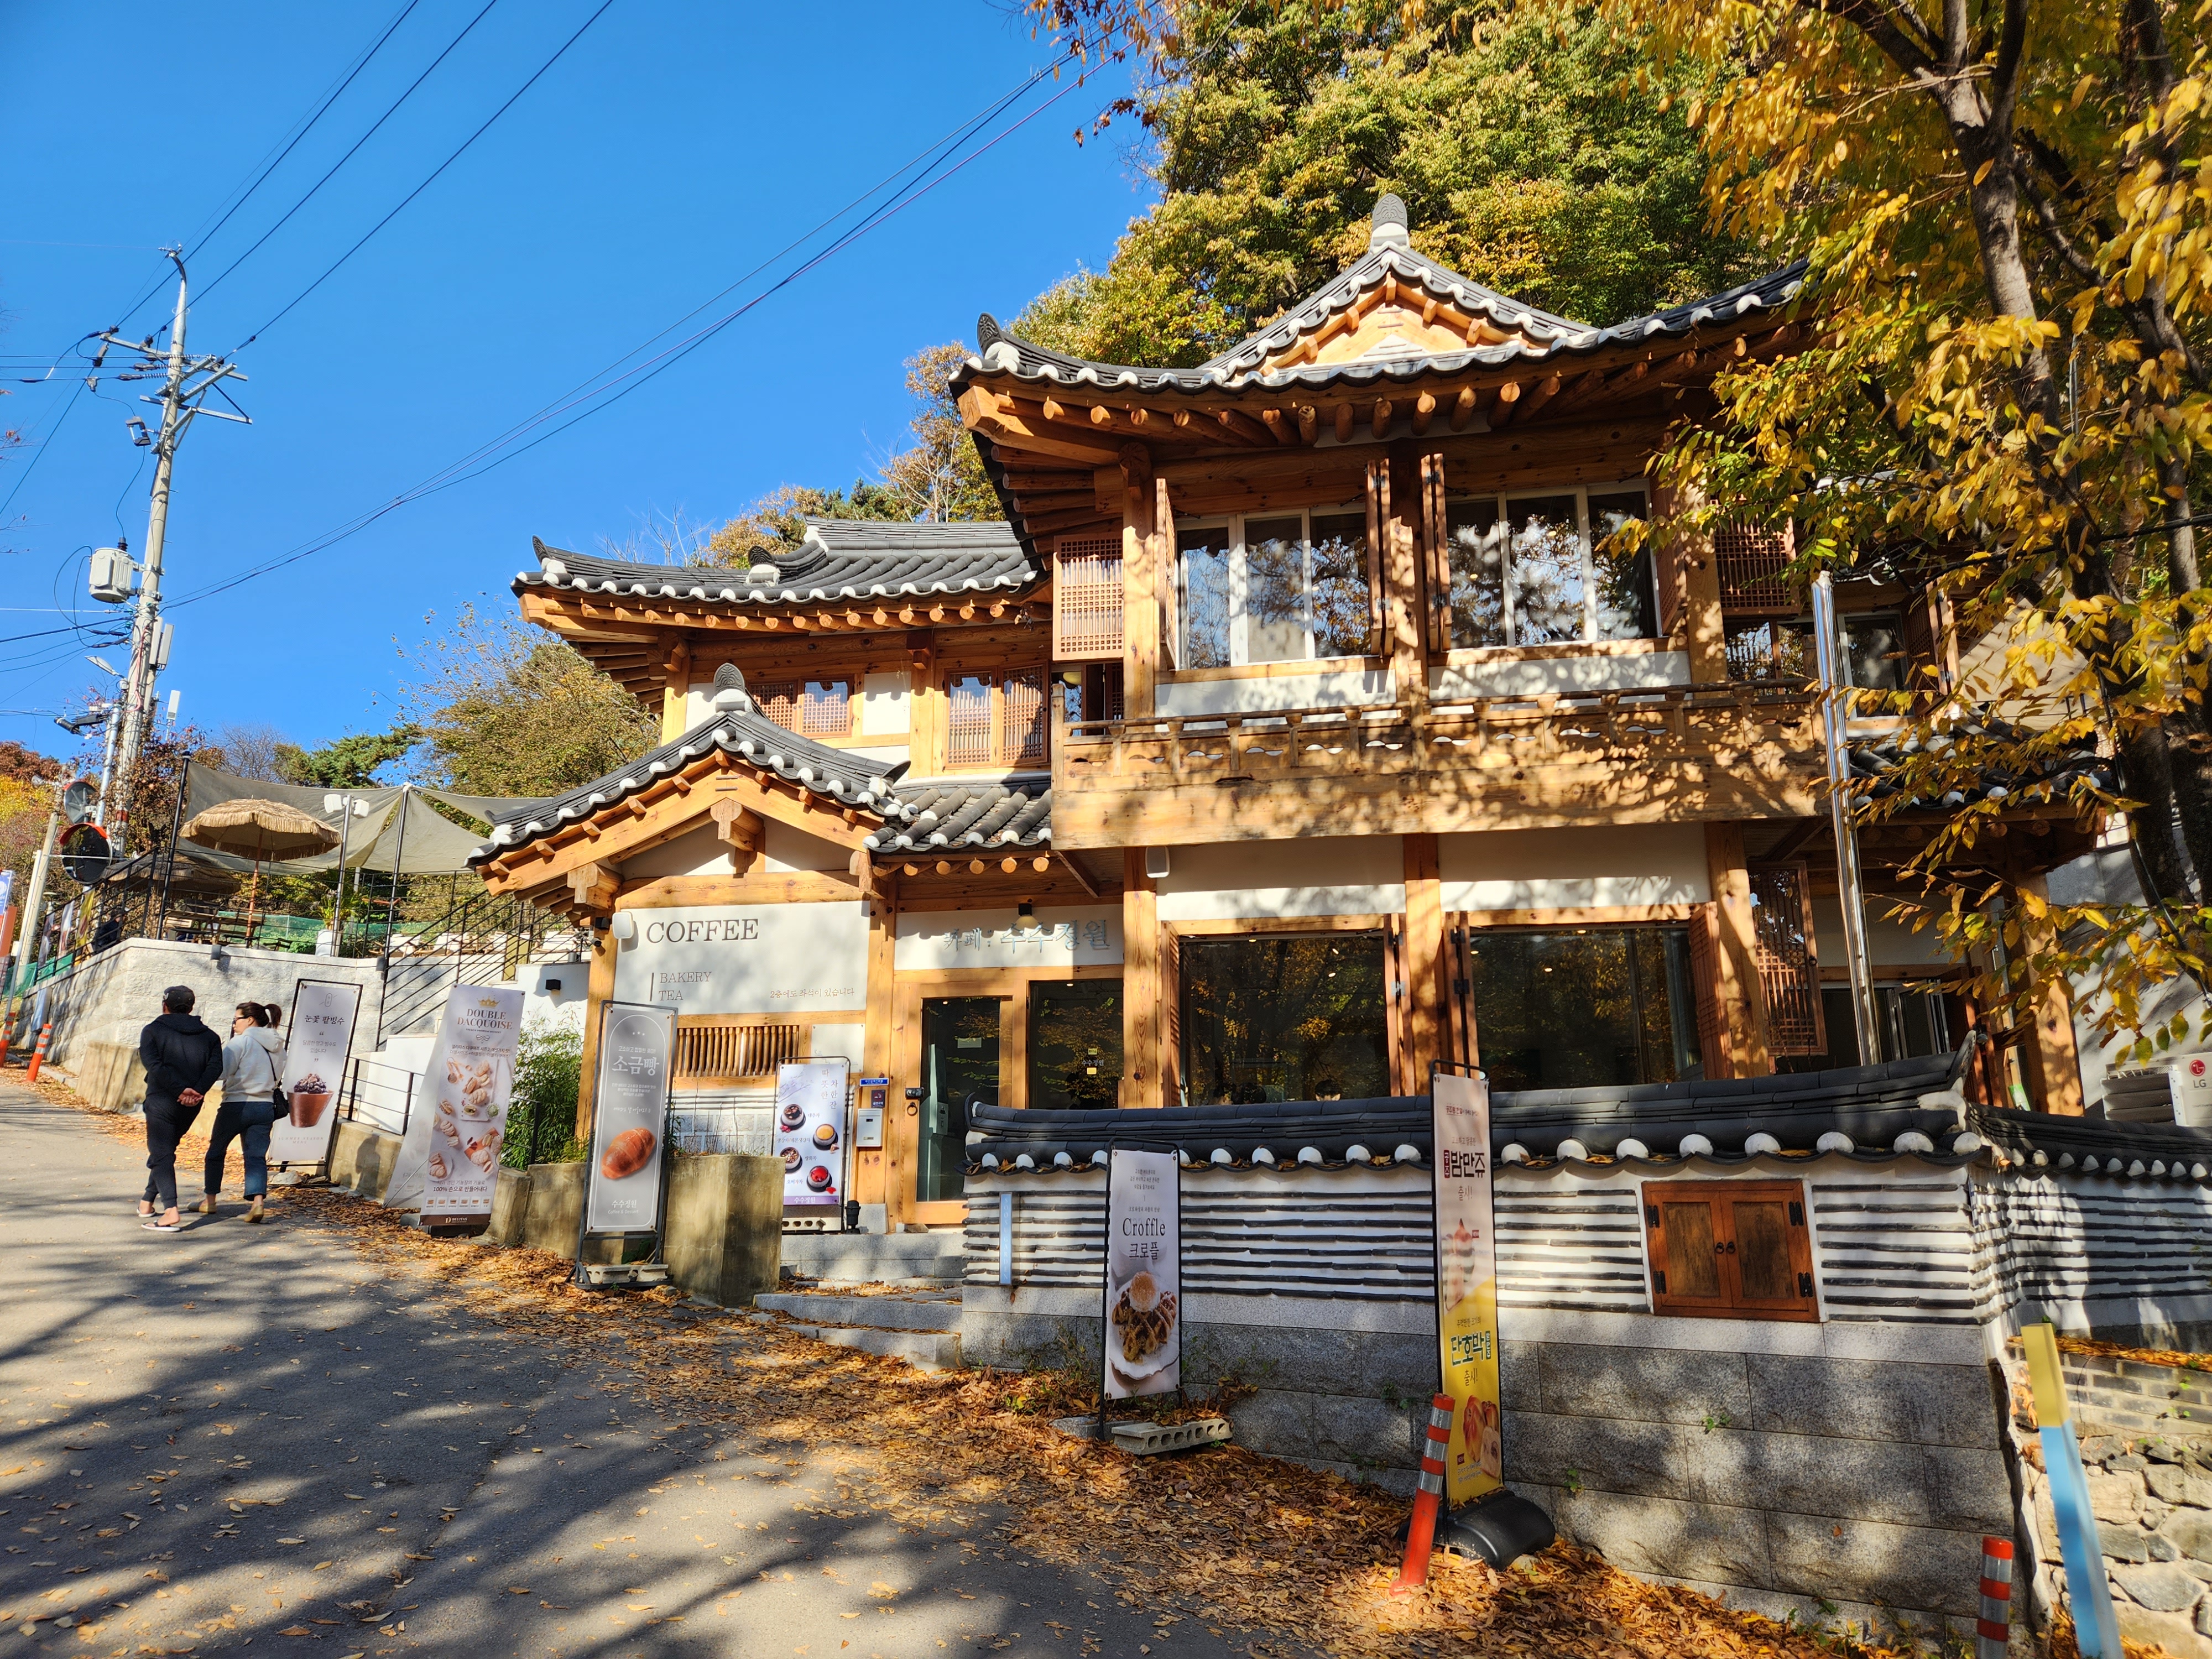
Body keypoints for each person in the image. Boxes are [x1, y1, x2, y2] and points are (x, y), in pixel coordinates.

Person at [138, 986, 223, 1232]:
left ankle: (170, 1211)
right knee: (165, 1152)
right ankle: (147, 1202)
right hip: (192, 1104)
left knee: (161, 1154)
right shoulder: (210, 1036)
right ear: (191, 1008)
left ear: (165, 1006)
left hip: (161, 1099)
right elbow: (215, 1067)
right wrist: (197, 1091)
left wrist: (178, 1090)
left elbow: (153, 1065)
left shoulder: (153, 1030)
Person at [202, 1003, 284, 1223]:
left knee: (216, 1151)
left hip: (236, 1105)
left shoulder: (240, 1042)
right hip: (265, 1105)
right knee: (256, 1156)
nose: (234, 1024)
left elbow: (222, 1072)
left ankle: (210, 1200)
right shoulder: (278, 1046)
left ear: (249, 1020)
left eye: (236, 1019)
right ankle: (258, 1204)